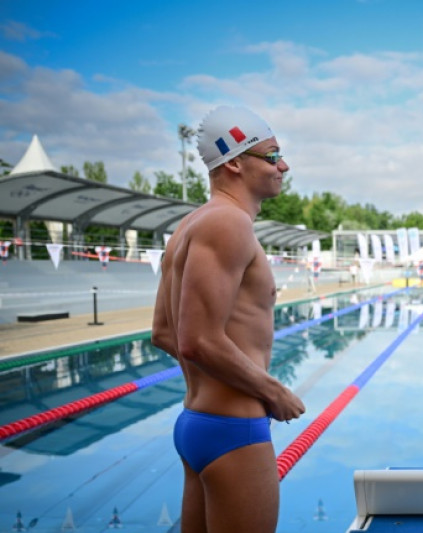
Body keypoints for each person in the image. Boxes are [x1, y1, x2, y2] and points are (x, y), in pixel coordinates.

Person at [151, 105, 306, 533]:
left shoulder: (189, 225)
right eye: (272, 156)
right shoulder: (229, 222)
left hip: (197, 424)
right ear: (235, 162)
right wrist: (273, 391)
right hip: (234, 431)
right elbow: (196, 340)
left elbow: (163, 332)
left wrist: (214, 383)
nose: (283, 166)